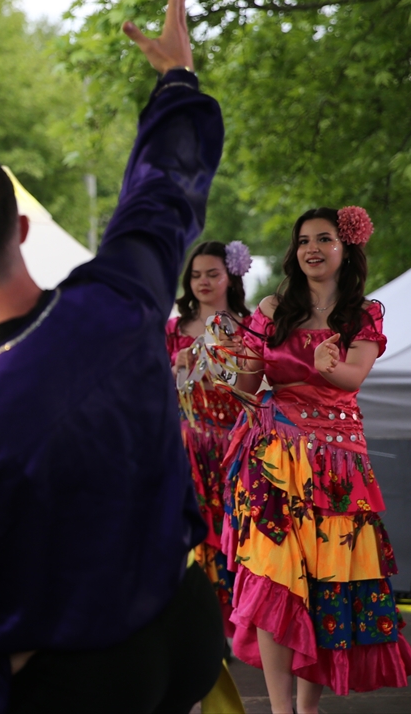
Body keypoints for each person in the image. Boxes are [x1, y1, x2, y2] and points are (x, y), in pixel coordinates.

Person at [0, 0, 225, 713]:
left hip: (81, 674)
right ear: (21, 229)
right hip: (186, 628)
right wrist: (176, 79)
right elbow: (162, 197)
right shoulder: (119, 299)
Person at [225, 206, 411, 713]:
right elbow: (245, 389)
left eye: (325, 239)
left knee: (323, 585)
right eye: (304, 240)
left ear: (345, 248)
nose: (312, 248)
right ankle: (278, 709)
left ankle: (306, 710)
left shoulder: (363, 314)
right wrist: (232, 360)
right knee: (273, 581)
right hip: (274, 461)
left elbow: (353, 378)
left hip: (336, 468)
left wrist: (326, 368)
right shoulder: (272, 308)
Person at [167, 240, 252, 634]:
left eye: (212, 274)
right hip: (187, 446)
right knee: (192, 530)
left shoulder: (250, 328)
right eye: (196, 274)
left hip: (237, 447)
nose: (202, 281)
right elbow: (150, 387)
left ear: (231, 276)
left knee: (238, 532)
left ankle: (235, 626)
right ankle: (197, 626)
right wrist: (174, 367)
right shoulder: (173, 330)